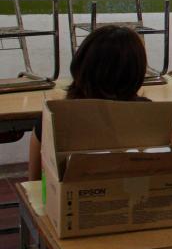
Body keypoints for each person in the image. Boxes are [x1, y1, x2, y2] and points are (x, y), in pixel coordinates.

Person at [27, 25, 149, 180]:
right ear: (137, 72)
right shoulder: (153, 117)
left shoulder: (52, 120)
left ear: (81, 65)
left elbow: (34, 184)